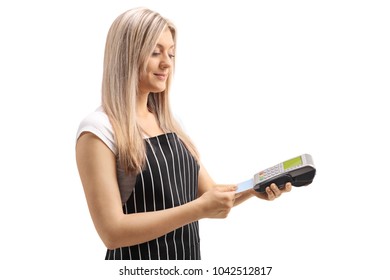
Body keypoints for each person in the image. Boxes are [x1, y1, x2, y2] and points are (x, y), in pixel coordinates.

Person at [75, 7, 292, 260]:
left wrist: (254, 188)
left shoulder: (169, 123)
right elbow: (112, 232)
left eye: (171, 53)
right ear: (126, 55)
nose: (166, 63)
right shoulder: (98, 131)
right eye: (155, 52)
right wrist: (198, 210)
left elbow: (209, 192)